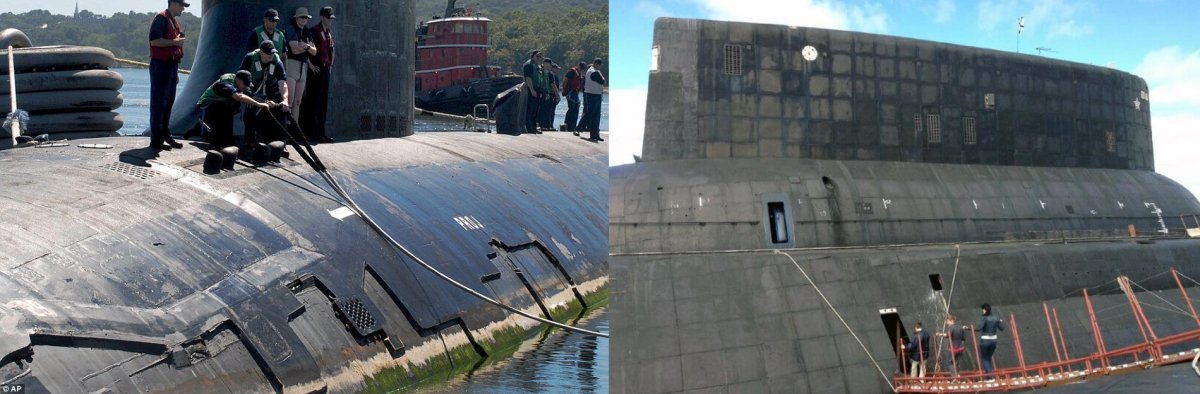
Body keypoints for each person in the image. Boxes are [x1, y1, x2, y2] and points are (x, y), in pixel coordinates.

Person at [147, 0, 189, 150]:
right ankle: (156, 140)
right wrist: (174, 42)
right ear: (174, 4)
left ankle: (165, 135)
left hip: (171, 67)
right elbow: (154, 41)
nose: (183, 9)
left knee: (168, 103)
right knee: (159, 104)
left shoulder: (173, 22)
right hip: (161, 67)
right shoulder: (161, 19)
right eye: (182, 5)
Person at [196, 70, 273, 147]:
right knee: (224, 106)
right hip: (205, 108)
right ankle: (216, 137)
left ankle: (227, 138)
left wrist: (266, 102)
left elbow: (253, 97)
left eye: (248, 84)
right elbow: (238, 96)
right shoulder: (226, 84)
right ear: (238, 80)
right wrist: (258, 104)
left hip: (221, 107)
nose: (246, 86)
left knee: (232, 106)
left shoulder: (241, 85)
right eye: (245, 84)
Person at [240, 41, 289, 145]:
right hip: (252, 90)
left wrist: (285, 101)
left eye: (272, 53)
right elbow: (241, 81)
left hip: (270, 88)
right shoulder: (250, 58)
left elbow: (282, 83)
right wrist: (255, 99)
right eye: (268, 53)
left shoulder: (276, 59)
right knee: (250, 110)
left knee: (281, 109)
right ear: (261, 52)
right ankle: (250, 142)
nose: (271, 55)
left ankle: (279, 142)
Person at [302, 6, 336, 143]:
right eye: (328, 17)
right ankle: (311, 133)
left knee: (323, 103)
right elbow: (307, 49)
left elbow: (332, 50)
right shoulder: (313, 32)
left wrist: (330, 67)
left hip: (325, 71)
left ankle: (321, 133)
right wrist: (310, 65)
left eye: (331, 18)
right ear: (322, 17)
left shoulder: (328, 33)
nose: (330, 20)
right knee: (313, 102)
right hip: (316, 71)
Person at [285, 8, 317, 122]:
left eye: (306, 18)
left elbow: (314, 51)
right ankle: (286, 127)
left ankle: (294, 127)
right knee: (289, 99)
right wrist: (308, 48)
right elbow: (294, 50)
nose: (304, 19)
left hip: (303, 67)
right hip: (291, 65)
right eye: (302, 17)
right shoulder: (291, 30)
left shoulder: (307, 31)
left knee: (298, 101)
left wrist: (305, 46)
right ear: (296, 18)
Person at [977, 303, 1005, 380]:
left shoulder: (984, 318)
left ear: (984, 310)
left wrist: (968, 328)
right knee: (988, 358)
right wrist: (1000, 321)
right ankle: (988, 378)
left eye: (983, 309)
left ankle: (991, 377)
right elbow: (1002, 328)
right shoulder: (996, 318)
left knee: (985, 359)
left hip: (985, 341)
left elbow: (978, 328)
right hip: (994, 341)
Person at [581, 57, 606, 141]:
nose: (599, 66)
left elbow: (602, 80)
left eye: (600, 64)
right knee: (589, 114)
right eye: (598, 64)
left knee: (596, 116)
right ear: (595, 64)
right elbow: (602, 81)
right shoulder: (593, 72)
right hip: (592, 95)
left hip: (597, 94)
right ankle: (578, 128)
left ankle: (595, 134)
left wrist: (602, 78)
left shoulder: (596, 71)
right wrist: (602, 79)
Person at [521, 50, 544, 134]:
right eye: (537, 56)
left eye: (540, 57)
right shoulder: (529, 65)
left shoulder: (537, 66)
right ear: (533, 56)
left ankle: (534, 127)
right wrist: (532, 90)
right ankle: (529, 127)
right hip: (531, 89)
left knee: (536, 110)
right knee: (530, 109)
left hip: (537, 89)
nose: (539, 58)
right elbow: (528, 78)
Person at [562, 61, 585, 134]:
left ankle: (572, 126)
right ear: (578, 65)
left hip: (575, 93)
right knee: (572, 109)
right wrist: (564, 90)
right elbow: (565, 80)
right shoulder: (572, 72)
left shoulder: (580, 74)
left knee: (576, 109)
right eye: (581, 67)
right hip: (570, 92)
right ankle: (567, 125)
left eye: (582, 68)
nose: (581, 69)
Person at [538, 59, 559, 131]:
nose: (550, 66)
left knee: (543, 110)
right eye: (550, 65)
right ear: (546, 64)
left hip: (543, 93)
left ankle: (543, 125)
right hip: (547, 93)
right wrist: (557, 96)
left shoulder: (542, 72)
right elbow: (553, 85)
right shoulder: (548, 73)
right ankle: (545, 126)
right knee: (547, 111)